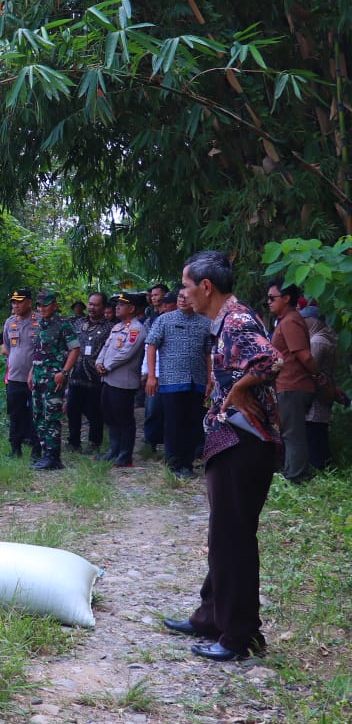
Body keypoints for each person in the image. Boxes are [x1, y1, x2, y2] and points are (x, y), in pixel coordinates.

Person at [164, 250, 282, 662]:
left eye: (185, 285)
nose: (184, 293)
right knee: (222, 536)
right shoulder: (226, 320)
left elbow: (270, 359)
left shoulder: (236, 319)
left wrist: (238, 390)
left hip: (242, 444)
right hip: (229, 441)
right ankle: (211, 617)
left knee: (233, 540)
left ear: (206, 287)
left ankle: (240, 637)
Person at [145, 286, 212, 478]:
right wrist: (151, 376)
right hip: (172, 381)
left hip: (197, 381)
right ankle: (173, 465)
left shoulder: (205, 322)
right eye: (180, 297)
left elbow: (209, 353)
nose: (183, 300)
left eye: (186, 296)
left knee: (193, 424)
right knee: (174, 424)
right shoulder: (164, 320)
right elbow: (151, 346)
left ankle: (187, 464)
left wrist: (210, 378)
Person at [267, 280, 320, 483]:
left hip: (293, 385)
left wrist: (316, 374)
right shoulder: (286, 320)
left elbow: (304, 356)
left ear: (287, 298)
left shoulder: (290, 321)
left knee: (292, 433)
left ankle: (294, 477)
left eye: (272, 298)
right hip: (288, 384)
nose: (269, 302)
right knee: (291, 431)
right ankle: (296, 471)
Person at [0, 288, 39, 459]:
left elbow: (45, 350)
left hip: (35, 378)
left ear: (29, 302)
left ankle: (36, 449)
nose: (16, 304)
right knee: (15, 414)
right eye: (14, 301)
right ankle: (15, 449)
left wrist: (35, 370)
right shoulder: (9, 322)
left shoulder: (40, 321)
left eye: (19, 301)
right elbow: (5, 346)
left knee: (36, 414)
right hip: (14, 378)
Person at [94, 292, 147, 467]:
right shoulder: (117, 327)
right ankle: (113, 450)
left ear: (132, 308)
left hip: (123, 382)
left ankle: (125, 455)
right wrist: (99, 362)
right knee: (109, 415)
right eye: (117, 304)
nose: (117, 307)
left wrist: (106, 366)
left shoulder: (136, 329)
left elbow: (126, 353)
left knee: (124, 418)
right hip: (108, 379)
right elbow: (106, 347)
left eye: (122, 305)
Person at [29, 290, 80, 470]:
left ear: (55, 305)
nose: (42, 308)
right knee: (38, 416)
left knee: (51, 417)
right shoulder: (40, 325)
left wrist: (64, 372)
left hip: (54, 378)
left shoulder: (63, 325)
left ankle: (53, 456)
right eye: (39, 305)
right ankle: (45, 454)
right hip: (38, 377)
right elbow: (37, 352)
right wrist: (31, 373)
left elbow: (75, 349)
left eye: (46, 304)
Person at [68, 292, 111, 454]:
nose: (92, 308)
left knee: (94, 412)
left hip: (96, 377)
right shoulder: (78, 324)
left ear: (103, 307)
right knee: (73, 410)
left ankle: (94, 443)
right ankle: (73, 442)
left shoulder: (109, 327)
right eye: (90, 304)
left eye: (96, 305)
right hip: (76, 375)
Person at [302, 304, 338, 470]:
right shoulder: (327, 338)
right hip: (324, 392)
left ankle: (319, 467)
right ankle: (324, 465)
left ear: (312, 321)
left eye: (305, 320)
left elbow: (309, 367)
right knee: (319, 430)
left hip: (316, 395)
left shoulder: (317, 341)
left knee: (315, 432)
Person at [140, 283, 173, 453]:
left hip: (172, 372)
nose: (153, 298)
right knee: (151, 409)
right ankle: (150, 441)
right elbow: (148, 346)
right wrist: (146, 371)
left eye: (157, 295)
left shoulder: (175, 316)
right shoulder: (152, 317)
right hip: (155, 369)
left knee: (170, 411)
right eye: (151, 295)